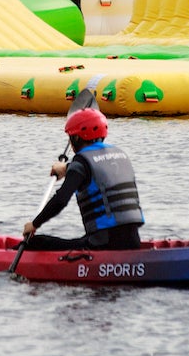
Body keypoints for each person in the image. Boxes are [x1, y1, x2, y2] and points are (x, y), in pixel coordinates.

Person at [20, 106, 144, 251]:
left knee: (36, 243)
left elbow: (60, 200)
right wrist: (67, 168)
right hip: (133, 242)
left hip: (103, 245)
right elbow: (96, 168)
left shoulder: (80, 162)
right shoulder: (120, 155)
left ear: (77, 138)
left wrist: (34, 224)